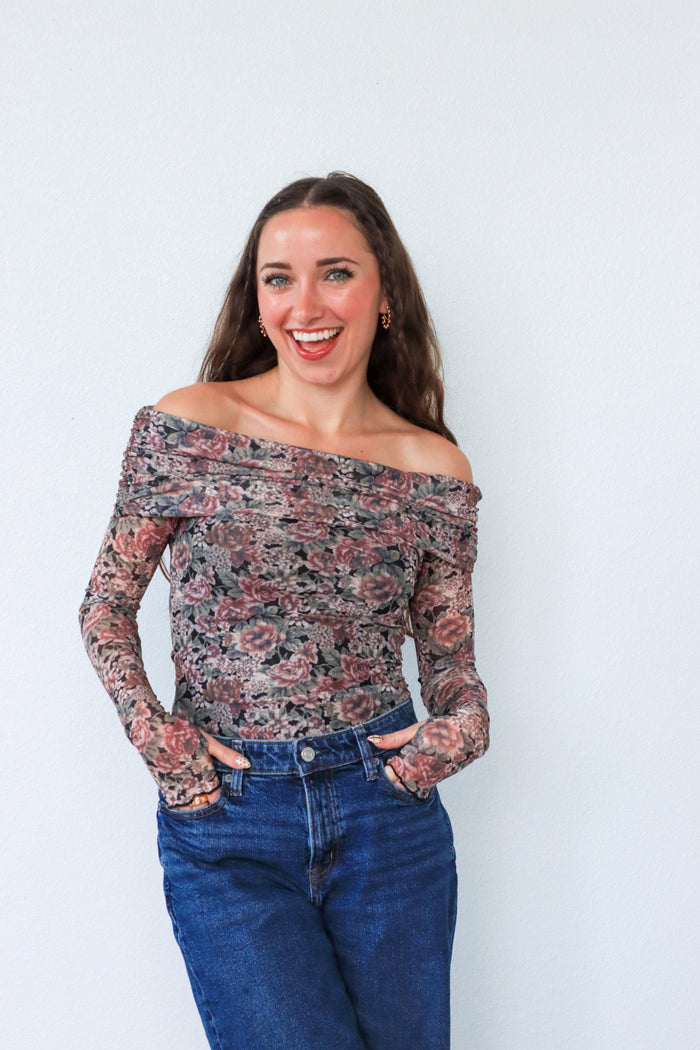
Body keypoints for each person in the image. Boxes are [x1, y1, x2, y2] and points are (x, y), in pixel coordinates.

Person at [79, 171, 489, 1050]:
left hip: (387, 820)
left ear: (385, 293)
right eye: (279, 278)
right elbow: (105, 608)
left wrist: (455, 735)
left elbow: (453, 667)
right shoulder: (188, 425)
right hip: (229, 819)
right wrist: (169, 751)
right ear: (257, 299)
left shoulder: (432, 467)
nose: (306, 303)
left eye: (335, 272)